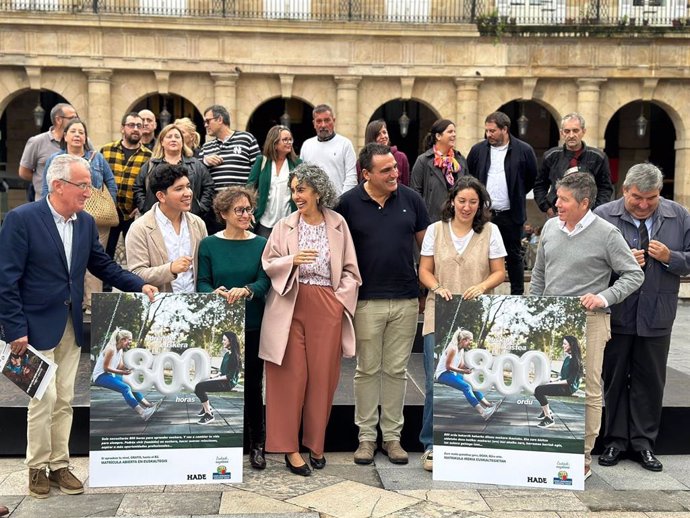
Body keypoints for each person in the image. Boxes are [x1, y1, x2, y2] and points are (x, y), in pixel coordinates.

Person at [0, 154, 157, 499]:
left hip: (71, 324)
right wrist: (14, 330)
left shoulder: (85, 223)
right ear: (58, 185)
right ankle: (36, 468)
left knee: (65, 399)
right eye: (83, 185)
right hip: (31, 329)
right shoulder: (21, 219)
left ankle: (60, 465)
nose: (89, 192)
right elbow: (6, 280)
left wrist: (137, 284)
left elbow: (102, 265)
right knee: (44, 398)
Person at [530, 172, 644, 481]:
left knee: (590, 389)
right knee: (545, 379)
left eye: (564, 200)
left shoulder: (607, 234)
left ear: (584, 202)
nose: (557, 204)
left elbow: (634, 274)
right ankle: (547, 445)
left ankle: (582, 455)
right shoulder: (551, 227)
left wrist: (605, 297)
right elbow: (539, 272)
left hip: (589, 322)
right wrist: (532, 306)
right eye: (557, 198)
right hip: (551, 319)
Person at [260, 163, 361, 476]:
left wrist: (337, 301)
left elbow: (351, 270)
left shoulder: (338, 224)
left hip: (326, 305)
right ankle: (289, 448)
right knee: (289, 378)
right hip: (289, 302)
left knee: (323, 378)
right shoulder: (284, 225)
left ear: (318, 191)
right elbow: (268, 262)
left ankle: (316, 444)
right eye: (293, 190)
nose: (296, 196)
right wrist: (293, 260)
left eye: (301, 190)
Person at [336, 143, 430, 466]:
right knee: (366, 370)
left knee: (396, 371)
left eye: (395, 167)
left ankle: (392, 438)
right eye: (386, 170)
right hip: (365, 301)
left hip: (405, 300)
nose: (395, 173)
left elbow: (427, 250)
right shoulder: (347, 204)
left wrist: (425, 290)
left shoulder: (412, 200)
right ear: (366, 174)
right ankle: (365, 438)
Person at [595, 163, 690, 472]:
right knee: (614, 377)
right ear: (625, 190)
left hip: (657, 312)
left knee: (650, 380)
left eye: (652, 198)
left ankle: (644, 443)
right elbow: (589, 264)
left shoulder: (679, 216)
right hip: (617, 312)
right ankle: (614, 440)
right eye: (637, 197)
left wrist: (670, 258)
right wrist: (617, 265)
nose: (645, 204)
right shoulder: (603, 216)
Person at [417, 175, 507, 471]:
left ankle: (470, 442)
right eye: (462, 201)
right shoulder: (435, 230)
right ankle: (431, 444)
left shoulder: (491, 231)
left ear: (480, 205)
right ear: (452, 201)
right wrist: (435, 286)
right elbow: (424, 270)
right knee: (433, 381)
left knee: (473, 378)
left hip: (474, 315)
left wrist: (482, 287)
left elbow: (499, 273)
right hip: (439, 313)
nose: (467, 207)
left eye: (473, 202)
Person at [197, 186, 270, 469]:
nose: (245, 214)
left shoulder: (261, 244)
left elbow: (265, 283)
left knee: (253, 385)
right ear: (223, 213)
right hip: (222, 328)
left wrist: (248, 290)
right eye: (239, 210)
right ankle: (225, 442)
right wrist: (212, 292)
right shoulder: (208, 245)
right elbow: (202, 281)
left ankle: (257, 444)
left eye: (249, 209)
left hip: (252, 324)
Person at [40, 118, 117, 313]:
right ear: (64, 136)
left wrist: (107, 205)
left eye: (81, 132)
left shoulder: (97, 158)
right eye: (73, 131)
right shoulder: (55, 160)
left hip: (97, 220)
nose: (77, 135)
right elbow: (45, 187)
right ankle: (68, 302)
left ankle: (92, 304)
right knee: (65, 259)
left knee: (94, 261)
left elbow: (110, 183)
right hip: (62, 216)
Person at [466, 111, 538, 295]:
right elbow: (471, 177)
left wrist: (517, 193)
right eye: (487, 131)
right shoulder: (478, 150)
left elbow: (531, 178)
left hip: (510, 213)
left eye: (492, 131)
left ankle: (517, 296)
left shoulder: (524, 150)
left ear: (504, 129)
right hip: (483, 214)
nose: (488, 134)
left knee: (513, 256)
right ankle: (478, 292)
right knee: (479, 254)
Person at [126, 163, 207, 293]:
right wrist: (170, 269)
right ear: (161, 196)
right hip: (160, 305)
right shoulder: (140, 228)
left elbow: (204, 270)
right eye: (179, 189)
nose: (188, 193)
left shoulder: (198, 224)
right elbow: (137, 273)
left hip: (195, 304)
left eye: (188, 186)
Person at [535, 112, 613, 216]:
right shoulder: (550, 156)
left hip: (588, 215)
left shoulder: (598, 157)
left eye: (575, 130)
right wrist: (547, 208)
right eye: (567, 131)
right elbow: (539, 185)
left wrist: (594, 211)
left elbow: (605, 188)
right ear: (562, 133)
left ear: (583, 131)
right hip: (557, 213)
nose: (571, 135)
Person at [133, 123, 215, 221]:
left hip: (189, 218)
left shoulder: (196, 165)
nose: (173, 139)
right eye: (169, 137)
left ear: (182, 142)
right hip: (156, 220)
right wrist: (145, 208)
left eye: (177, 137)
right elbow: (138, 187)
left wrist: (200, 208)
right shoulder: (151, 165)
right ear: (162, 142)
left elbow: (208, 187)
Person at [100, 112, 153, 263]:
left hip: (133, 214)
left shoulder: (149, 156)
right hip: (109, 211)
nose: (135, 129)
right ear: (123, 128)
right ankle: (105, 287)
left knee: (137, 256)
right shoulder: (106, 150)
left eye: (139, 126)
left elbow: (150, 185)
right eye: (131, 125)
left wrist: (142, 206)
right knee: (105, 254)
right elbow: (98, 179)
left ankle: (135, 287)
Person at [200, 104, 260, 233]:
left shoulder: (246, 139)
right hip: (218, 212)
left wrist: (252, 207)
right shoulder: (206, 148)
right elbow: (198, 173)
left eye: (207, 120)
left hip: (242, 209)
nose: (205, 124)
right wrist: (205, 161)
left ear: (220, 119)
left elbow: (258, 173)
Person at [246, 125, 301, 237]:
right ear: (274, 143)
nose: (289, 142)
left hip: (289, 222)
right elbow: (249, 188)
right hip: (264, 222)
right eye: (285, 140)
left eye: (290, 139)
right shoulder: (262, 161)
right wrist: (249, 211)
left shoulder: (297, 164)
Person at [410, 119, 468, 223]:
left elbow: (468, 187)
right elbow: (415, 192)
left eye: (454, 132)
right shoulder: (423, 160)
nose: (454, 135)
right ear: (438, 136)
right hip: (432, 220)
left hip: (457, 219)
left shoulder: (460, 159)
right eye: (450, 132)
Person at [91, 328, 156, 421]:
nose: (130, 342)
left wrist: (130, 368)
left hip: (109, 374)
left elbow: (120, 366)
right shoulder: (111, 349)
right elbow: (106, 368)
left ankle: (148, 405)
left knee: (131, 385)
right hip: (100, 376)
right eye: (129, 339)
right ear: (122, 340)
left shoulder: (120, 350)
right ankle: (143, 413)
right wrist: (122, 372)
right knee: (125, 388)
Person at [19, 103, 77, 201]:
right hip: (45, 202)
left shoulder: (83, 141)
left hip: (76, 204)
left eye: (77, 118)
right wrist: (44, 179)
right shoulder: (36, 141)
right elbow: (24, 172)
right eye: (72, 118)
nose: (76, 122)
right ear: (58, 120)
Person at [434, 329, 496, 417]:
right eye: (469, 341)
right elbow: (448, 366)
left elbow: (460, 365)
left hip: (451, 373)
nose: (470, 343)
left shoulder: (461, 350)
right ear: (463, 340)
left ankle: (488, 405)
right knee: (466, 387)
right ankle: (483, 412)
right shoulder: (453, 348)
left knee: (472, 384)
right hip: (443, 374)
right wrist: (464, 371)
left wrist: (471, 368)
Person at [299, 104, 357, 195]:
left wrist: (342, 200)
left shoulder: (345, 144)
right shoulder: (307, 145)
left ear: (333, 121)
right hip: (313, 204)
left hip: (339, 203)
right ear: (314, 123)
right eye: (319, 121)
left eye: (327, 120)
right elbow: (302, 175)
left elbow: (351, 177)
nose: (323, 125)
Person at [534, 336, 584, 429]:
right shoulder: (567, 358)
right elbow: (562, 376)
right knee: (538, 387)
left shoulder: (575, 361)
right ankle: (547, 411)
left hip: (568, 388)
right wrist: (553, 380)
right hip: (563, 385)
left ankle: (548, 418)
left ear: (571, 345)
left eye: (565, 344)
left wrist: (551, 384)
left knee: (538, 390)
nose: (562, 345)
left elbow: (569, 381)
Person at [193, 332, 242, 425]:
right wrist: (212, 376)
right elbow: (221, 372)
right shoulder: (227, 354)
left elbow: (229, 376)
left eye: (224, 340)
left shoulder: (235, 357)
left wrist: (213, 380)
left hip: (228, 383)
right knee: (198, 384)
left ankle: (209, 414)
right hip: (223, 379)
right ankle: (207, 408)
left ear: (230, 341)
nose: (222, 341)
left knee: (199, 387)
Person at [357, 119, 410, 185]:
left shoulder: (401, 157)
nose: (383, 137)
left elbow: (405, 185)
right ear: (371, 138)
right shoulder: (361, 162)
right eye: (378, 134)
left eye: (384, 132)